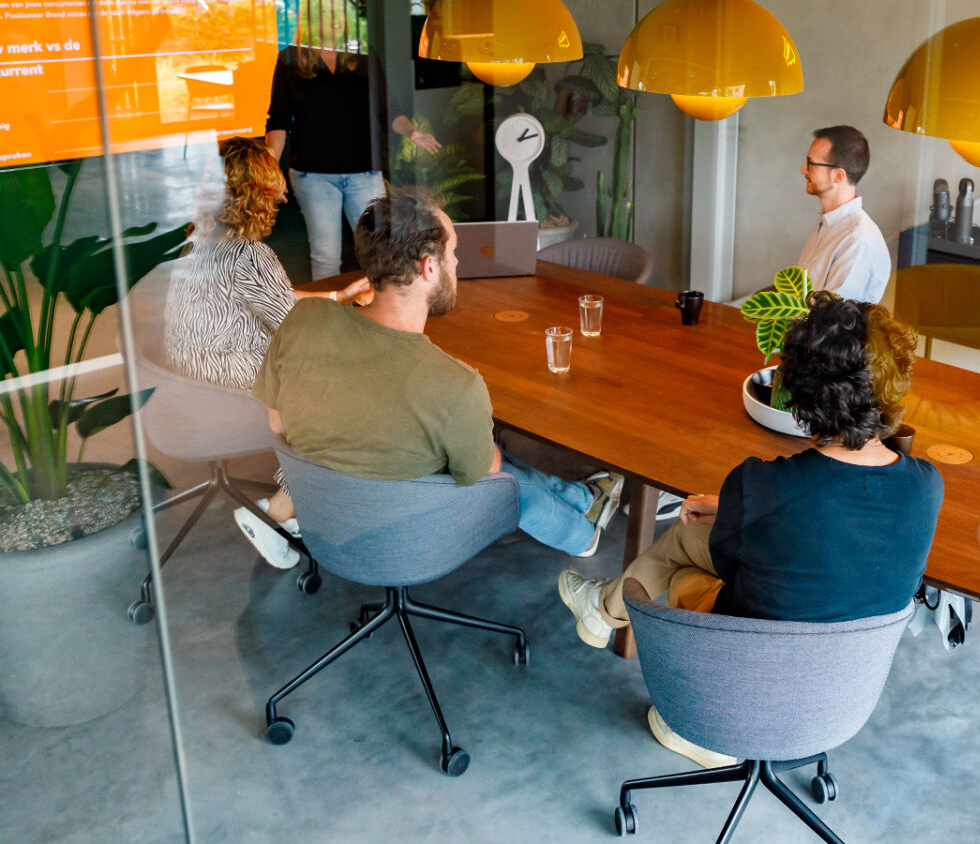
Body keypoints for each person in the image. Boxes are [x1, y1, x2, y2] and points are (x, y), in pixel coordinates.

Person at [557, 293, 943, 767]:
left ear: (801, 390)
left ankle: (701, 728)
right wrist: (734, 506)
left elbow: (742, 554)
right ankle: (601, 611)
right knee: (724, 545)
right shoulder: (927, 486)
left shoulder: (767, 483)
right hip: (842, 696)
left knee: (684, 557)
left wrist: (740, 504)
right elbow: (834, 519)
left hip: (748, 675)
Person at [252, 188, 625, 568]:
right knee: (499, 472)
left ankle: (582, 498)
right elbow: (486, 472)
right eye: (454, 252)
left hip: (327, 523)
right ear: (429, 267)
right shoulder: (455, 384)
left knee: (467, 446)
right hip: (413, 541)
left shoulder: (302, 320)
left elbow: (277, 424)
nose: (457, 262)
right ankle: (582, 534)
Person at [162, 138, 371, 567]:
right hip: (233, 390)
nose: (284, 195)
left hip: (193, 385)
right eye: (275, 186)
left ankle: (307, 497)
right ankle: (276, 515)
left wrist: (337, 296)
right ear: (254, 194)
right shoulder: (247, 254)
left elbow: (275, 300)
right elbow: (296, 327)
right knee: (349, 397)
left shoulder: (201, 242)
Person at [264, 42, 439, 281]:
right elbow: (278, 120)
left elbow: (388, 109)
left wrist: (412, 132)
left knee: (379, 252)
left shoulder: (363, 54)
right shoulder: (290, 58)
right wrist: (269, 170)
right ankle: (330, 306)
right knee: (326, 257)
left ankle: (379, 304)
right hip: (313, 176)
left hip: (364, 174)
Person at [794, 125, 891, 303]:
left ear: (838, 176)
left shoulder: (857, 239)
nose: (803, 169)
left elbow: (832, 315)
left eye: (811, 163)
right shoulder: (827, 225)